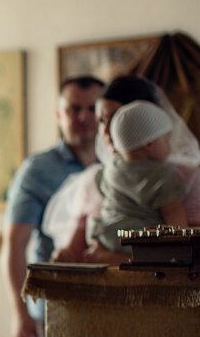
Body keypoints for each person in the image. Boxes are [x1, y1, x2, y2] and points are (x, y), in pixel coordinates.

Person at [42, 75, 200, 265]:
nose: (107, 130)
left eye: (117, 117)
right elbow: (77, 251)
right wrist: (64, 254)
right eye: (101, 120)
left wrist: (116, 259)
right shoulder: (97, 178)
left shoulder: (186, 178)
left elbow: (195, 252)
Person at [4, 75, 105, 337]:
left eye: (92, 108)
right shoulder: (39, 169)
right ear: (58, 114)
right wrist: (20, 314)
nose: (84, 116)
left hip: (106, 306)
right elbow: (15, 243)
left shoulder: (120, 165)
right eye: (73, 108)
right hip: (51, 310)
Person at [75, 100, 189, 256]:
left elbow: (103, 191)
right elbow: (174, 214)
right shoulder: (160, 175)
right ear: (149, 143)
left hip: (107, 233)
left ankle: (106, 255)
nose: (170, 146)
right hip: (140, 241)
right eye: (166, 139)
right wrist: (182, 247)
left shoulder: (110, 168)